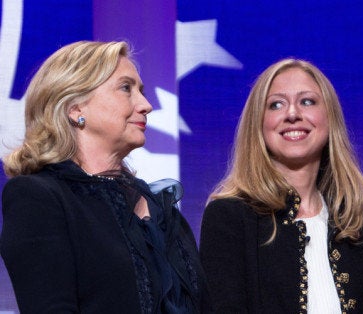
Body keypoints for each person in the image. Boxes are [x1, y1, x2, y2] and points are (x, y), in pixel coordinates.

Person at [1, 41, 208, 313]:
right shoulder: (38, 197)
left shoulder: (161, 207)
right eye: (126, 88)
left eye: (141, 91)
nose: (146, 105)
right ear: (75, 108)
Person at [199, 58, 363, 313]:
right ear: (259, 124)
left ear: (329, 118)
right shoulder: (228, 217)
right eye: (276, 104)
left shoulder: (357, 224)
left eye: (307, 101)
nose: (292, 114)